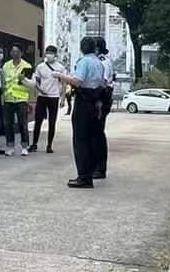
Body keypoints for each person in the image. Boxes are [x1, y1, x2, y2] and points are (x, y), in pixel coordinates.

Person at [53, 37, 106, 188]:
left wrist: (60, 75)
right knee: (91, 139)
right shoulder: (99, 63)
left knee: (80, 140)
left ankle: (84, 176)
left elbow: (77, 81)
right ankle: (90, 172)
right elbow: (102, 83)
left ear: (82, 48)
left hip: (84, 100)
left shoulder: (84, 62)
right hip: (95, 100)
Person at [30, 45, 65, 153]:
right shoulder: (40, 67)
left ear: (55, 54)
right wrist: (40, 90)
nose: (49, 55)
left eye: (51, 53)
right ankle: (34, 144)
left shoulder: (60, 67)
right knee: (38, 121)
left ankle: (49, 145)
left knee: (52, 122)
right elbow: (36, 81)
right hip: (42, 97)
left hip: (54, 97)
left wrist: (63, 98)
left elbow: (64, 83)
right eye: (48, 53)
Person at [1, 44, 33, 156]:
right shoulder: (6, 65)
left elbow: (32, 85)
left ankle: (24, 146)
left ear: (21, 53)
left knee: (22, 124)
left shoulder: (27, 66)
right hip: (8, 98)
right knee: (8, 124)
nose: (15, 53)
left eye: (17, 51)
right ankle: (10, 146)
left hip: (21, 99)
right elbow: (3, 81)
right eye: (13, 51)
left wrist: (24, 80)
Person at [95, 37, 115, 179]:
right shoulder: (98, 61)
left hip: (102, 97)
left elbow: (103, 82)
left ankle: (100, 168)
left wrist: (99, 101)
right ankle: (96, 166)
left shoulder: (103, 62)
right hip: (99, 96)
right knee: (94, 133)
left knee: (98, 133)